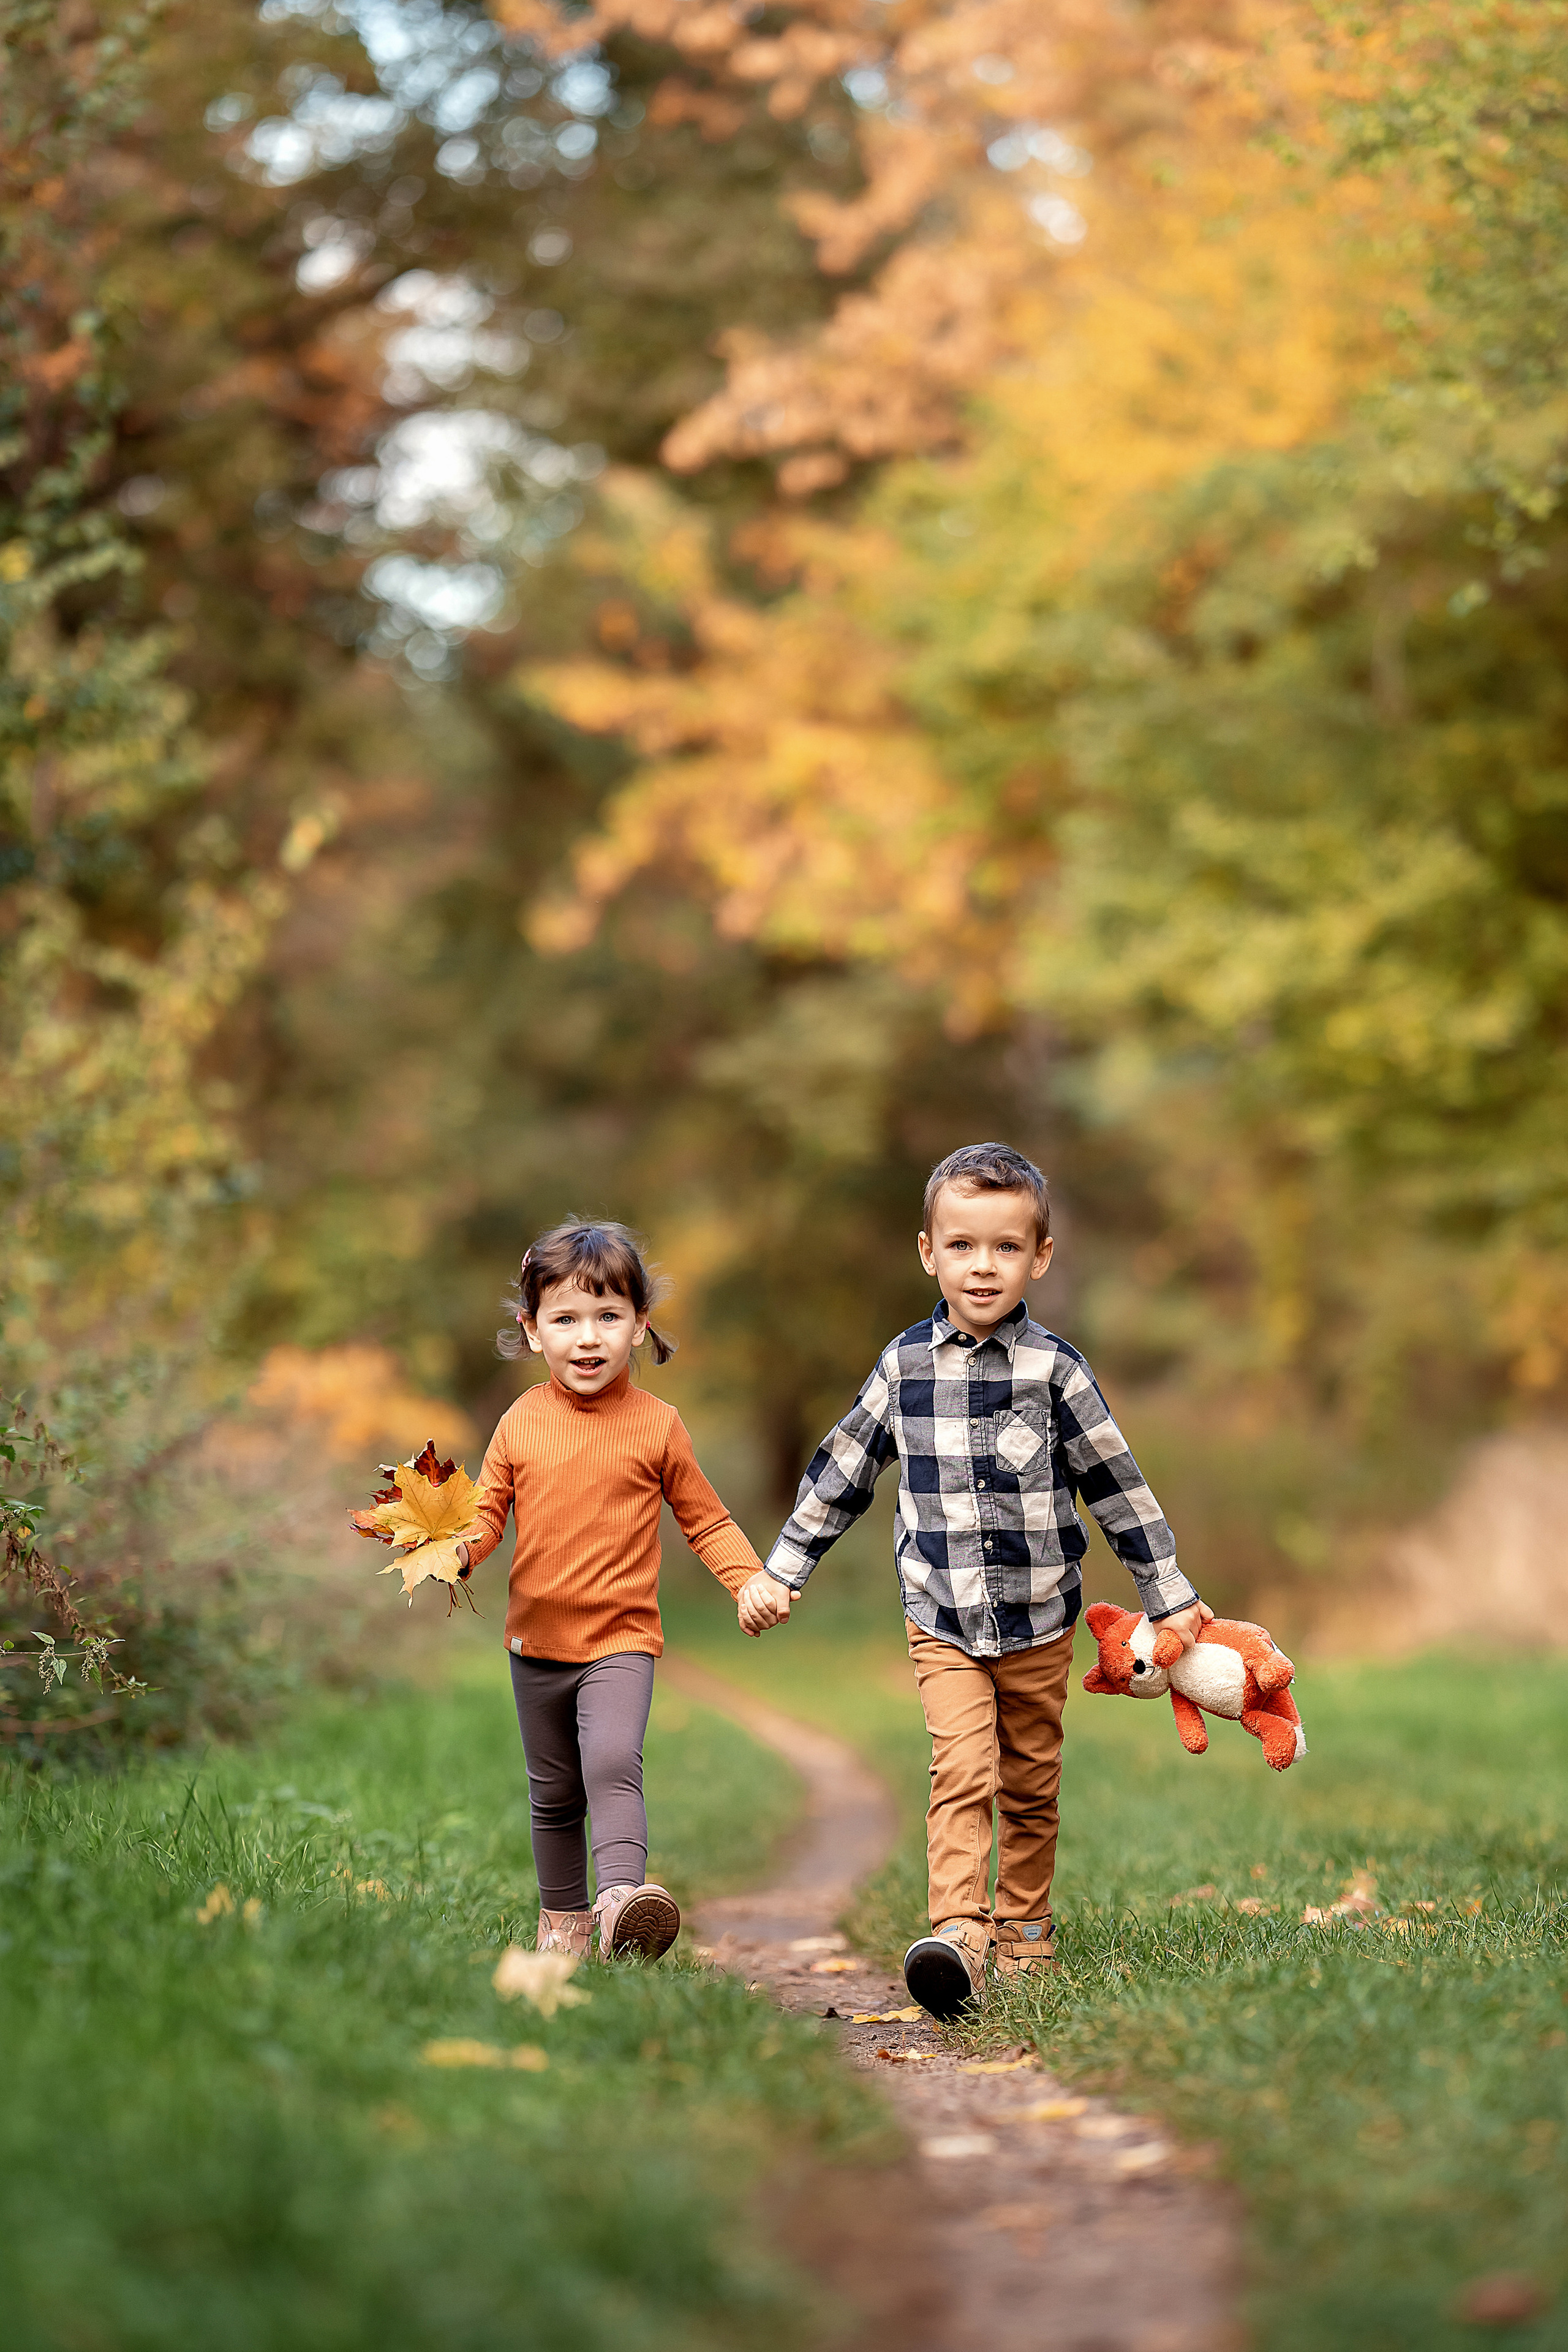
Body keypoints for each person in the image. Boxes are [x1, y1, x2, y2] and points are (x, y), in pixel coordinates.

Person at [736, 1142, 1211, 2019]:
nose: (982, 1266)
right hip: (941, 1615)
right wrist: (783, 1570)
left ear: (1040, 1257)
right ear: (929, 1252)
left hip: (1040, 1618)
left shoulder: (1056, 1371)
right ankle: (959, 1931)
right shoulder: (904, 1366)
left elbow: (1115, 1484)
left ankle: (1026, 1926)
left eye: (1004, 1247)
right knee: (961, 1767)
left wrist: (1167, 1591)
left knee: (1030, 1778)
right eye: (962, 1245)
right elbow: (844, 1472)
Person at [456, 1217, 765, 1964]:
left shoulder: (658, 1426)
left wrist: (749, 1577)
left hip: (621, 1640)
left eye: (607, 1317)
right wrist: (455, 1551)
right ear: (534, 1332)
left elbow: (706, 1519)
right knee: (555, 1793)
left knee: (612, 1761)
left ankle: (621, 1901)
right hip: (535, 1644)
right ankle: (562, 1926)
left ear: (639, 1327)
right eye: (565, 1319)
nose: (587, 1337)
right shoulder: (519, 1422)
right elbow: (487, 1512)